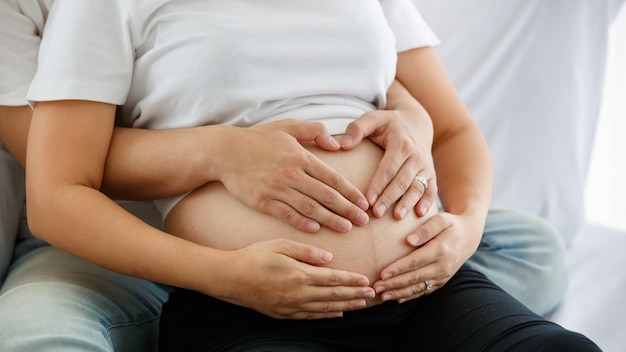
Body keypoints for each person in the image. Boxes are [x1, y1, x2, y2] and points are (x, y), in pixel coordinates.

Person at [22, 0, 599, 351]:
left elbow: (451, 131)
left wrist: (466, 229)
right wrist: (225, 275)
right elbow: (58, 195)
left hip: (426, 291)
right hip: (248, 308)